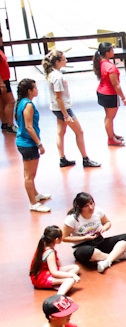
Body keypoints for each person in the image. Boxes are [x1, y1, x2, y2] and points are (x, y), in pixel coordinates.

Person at [43, 50, 100, 167]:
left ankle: (62, 158)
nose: (66, 60)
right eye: (64, 59)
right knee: (79, 132)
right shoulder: (57, 76)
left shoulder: (52, 73)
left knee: (60, 132)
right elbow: (59, 97)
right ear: (57, 61)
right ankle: (85, 158)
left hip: (55, 108)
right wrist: (66, 115)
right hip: (63, 108)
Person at [61, 192, 126, 273]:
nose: (91, 207)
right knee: (88, 252)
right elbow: (64, 238)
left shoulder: (97, 211)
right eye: (86, 206)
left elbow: (107, 223)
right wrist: (85, 237)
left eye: (92, 203)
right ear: (79, 207)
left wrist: (103, 228)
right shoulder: (72, 219)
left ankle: (107, 261)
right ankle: (118, 256)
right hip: (82, 246)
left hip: (99, 242)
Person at [14, 78, 52, 212]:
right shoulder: (28, 105)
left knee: (29, 174)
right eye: (35, 88)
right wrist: (39, 143)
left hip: (23, 142)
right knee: (29, 176)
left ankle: (35, 194)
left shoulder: (21, 103)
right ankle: (33, 203)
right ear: (29, 91)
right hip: (28, 143)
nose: (37, 90)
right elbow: (29, 127)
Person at [93, 41, 126, 146]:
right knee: (109, 117)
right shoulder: (111, 67)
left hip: (101, 92)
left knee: (108, 116)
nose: (113, 51)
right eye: (112, 50)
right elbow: (115, 84)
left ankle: (112, 134)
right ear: (107, 53)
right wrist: (123, 97)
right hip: (109, 94)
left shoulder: (101, 63)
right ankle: (111, 139)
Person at [30, 226, 81, 295]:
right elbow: (54, 272)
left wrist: (65, 274)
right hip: (41, 278)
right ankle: (59, 296)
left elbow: (59, 265)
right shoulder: (50, 252)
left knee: (75, 267)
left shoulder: (43, 246)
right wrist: (71, 275)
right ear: (56, 240)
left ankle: (58, 284)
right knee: (70, 280)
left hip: (45, 272)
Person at [0, 29, 13, 135]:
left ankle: (4, 123)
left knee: (2, 102)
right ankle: (10, 125)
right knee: (11, 102)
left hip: (4, 79)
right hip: (2, 80)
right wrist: (1, 83)